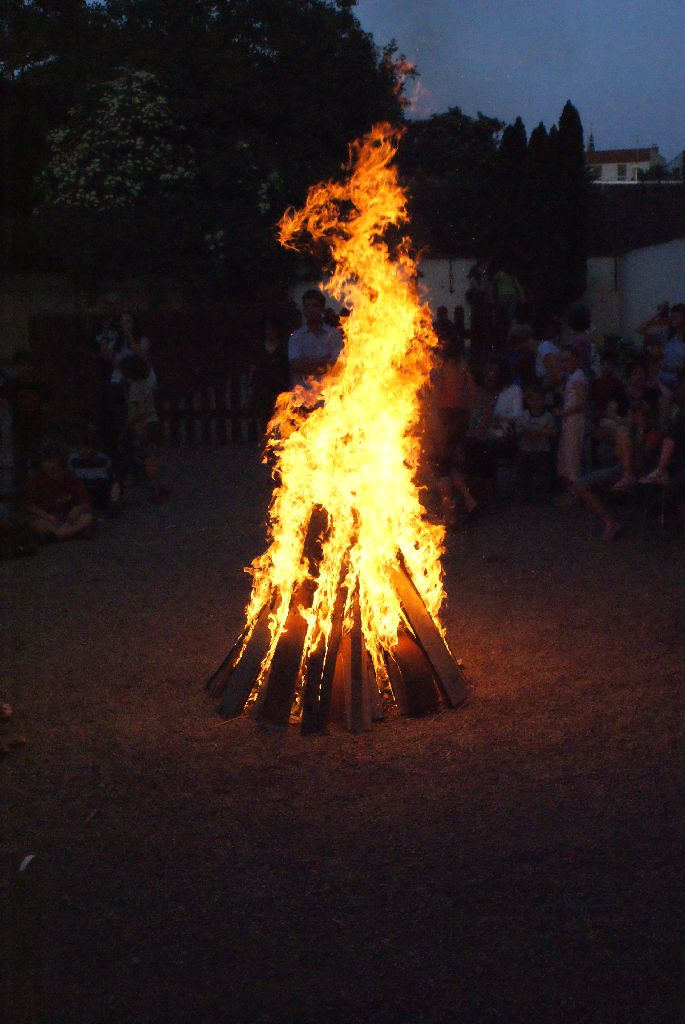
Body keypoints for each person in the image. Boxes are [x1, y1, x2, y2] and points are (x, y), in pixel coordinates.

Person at [24, 440, 94, 541]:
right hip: (47, 516)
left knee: (87, 517)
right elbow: (29, 505)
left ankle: (58, 535)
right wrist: (47, 516)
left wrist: (77, 509)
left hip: (68, 516)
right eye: (44, 461)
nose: (47, 465)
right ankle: (69, 533)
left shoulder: (70, 477)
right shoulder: (36, 480)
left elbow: (85, 500)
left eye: (51, 461)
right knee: (36, 524)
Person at [120, 355, 168, 501]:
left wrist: (128, 423)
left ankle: (156, 488)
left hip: (144, 426)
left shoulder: (135, 388)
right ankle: (161, 484)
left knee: (145, 458)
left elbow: (140, 410)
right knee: (149, 457)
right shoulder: (146, 385)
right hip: (153, 422)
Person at [287, 289, 343, 402]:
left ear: (322, 308)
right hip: (302, 400)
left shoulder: (334, 334)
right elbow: (296, 365)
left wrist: (307, 363)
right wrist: (323, 362)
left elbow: (337, 366)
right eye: (307, 306)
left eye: (314, 306)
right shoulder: (296, 337)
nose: (310, 310)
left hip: (329, 400)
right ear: (304, 310)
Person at [248, 316, 290, 432]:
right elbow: (254, 366)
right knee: (265, 420)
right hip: (263, 389)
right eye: (268, 329)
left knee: (280, 418)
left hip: (279, 388)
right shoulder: (259, 347)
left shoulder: (283, 347)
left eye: (272, 329)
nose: (270, 332)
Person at [555, 345, 588, 491]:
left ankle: (575, 493)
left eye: (567, 360)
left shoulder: (577, 378)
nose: (565, 364)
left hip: (574, 420)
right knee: (567, 455)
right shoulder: (573, 377)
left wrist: (563, 413)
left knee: (571, 457)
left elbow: (581, 403)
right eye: (563, 361)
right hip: (570, 419)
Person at [515, 385, 556, 499]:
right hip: (526, 449)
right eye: (532, 399)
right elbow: (518, 430)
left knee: (543, 470)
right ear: (528, 401)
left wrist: (541, 433)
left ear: (543, 401)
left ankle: (542, 492)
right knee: (523, 469)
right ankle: (523, 491)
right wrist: (527, 432)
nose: (535, 402)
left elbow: (553, 432)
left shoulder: (548, 416)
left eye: (538, 400)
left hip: (542, 450)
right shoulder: (523, 416)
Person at [67, 425, 114, 513]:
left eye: (88, 447)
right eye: (82, 448)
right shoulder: (73, 460)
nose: (85, 451)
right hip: (81, 491)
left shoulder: (104, 460)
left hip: (99, 490)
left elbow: (109, 478)